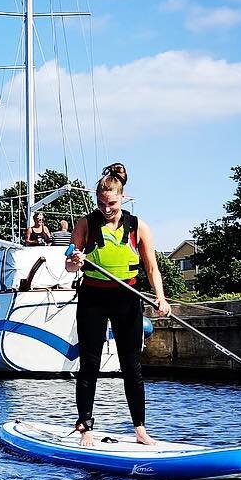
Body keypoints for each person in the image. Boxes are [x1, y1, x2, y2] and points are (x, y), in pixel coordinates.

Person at [63, 162, 170, 446]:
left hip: (127, 297)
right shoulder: (86, 224)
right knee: (90, 363)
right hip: (93, 298)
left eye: (110, 202)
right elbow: (70, 265)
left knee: (131, 365)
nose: (105, 208)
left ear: (122, 197)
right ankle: (85, 426)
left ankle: (140, 428)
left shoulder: (139, 227)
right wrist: (74, 261)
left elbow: (151, 267)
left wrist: (160, 296)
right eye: (100, 202)